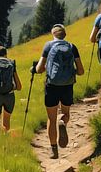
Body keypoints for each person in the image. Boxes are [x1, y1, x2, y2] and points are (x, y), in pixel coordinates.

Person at [35, 24, 84, 159]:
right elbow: (81, 71)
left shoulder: (48, 46)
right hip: (67, 86)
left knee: (51, 118)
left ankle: (54, 150)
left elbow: (39, 69)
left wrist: (40, 68)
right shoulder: (72, 47)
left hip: (52, 85)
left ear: (53, 34)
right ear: (64, 35)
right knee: (65, 112)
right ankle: (62, 120)